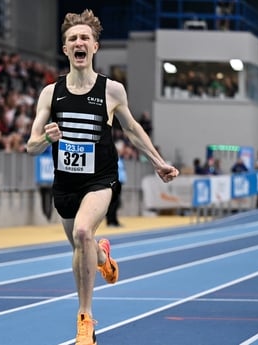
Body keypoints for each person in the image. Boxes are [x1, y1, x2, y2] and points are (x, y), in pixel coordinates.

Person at [26, 9, 179, 345]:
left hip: (101, 180)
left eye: (84, 38)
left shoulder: (112, 90)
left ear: (95, 47)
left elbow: (134, 130)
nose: (78, 43)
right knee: (84, 249)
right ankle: (103, 257)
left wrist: (157, 161)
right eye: (71, 39)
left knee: (83, 232)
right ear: (65, 49)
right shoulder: (50, 94)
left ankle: (85, 319)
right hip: (65, 183)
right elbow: (31, 145)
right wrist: (47, 139)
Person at [105, 141, 127, 227]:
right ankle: (111, 221)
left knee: (116, 202)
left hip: (119, 182)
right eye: (122, 149)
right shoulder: (113, 157)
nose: (123, 150)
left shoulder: (120, 158)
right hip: (114, 182)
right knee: (113, 202)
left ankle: (114, 220)